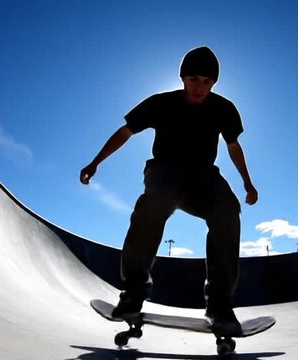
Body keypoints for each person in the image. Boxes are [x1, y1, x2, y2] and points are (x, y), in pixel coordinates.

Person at [80, 46, 257, 333]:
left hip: (203, 179)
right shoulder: (161, 103)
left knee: (227, 209)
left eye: (206, 82)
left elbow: (233, 147)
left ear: (214, 83)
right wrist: (96, 162)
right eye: (194, 80)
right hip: (165, 171)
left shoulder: (224, 109)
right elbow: (125, 132)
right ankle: (134, 293)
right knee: (154, 203)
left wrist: (247, 182)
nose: (200, 88)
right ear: (182, 78)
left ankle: (220, 304)